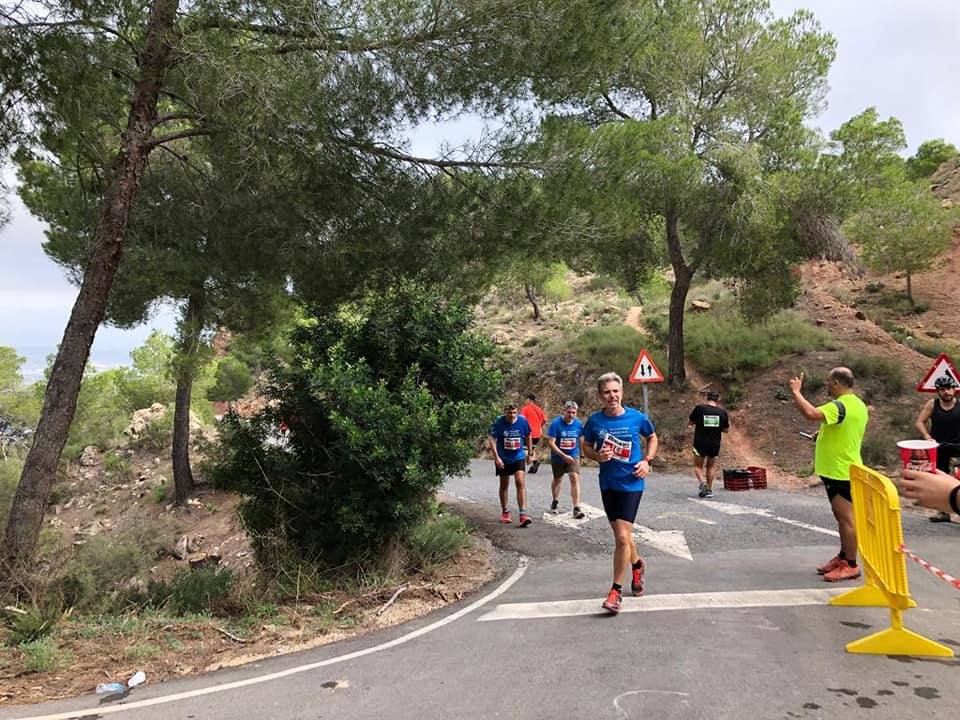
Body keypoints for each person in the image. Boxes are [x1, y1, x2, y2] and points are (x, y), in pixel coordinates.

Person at [582, 372, 658, 614]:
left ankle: (616, 592)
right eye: (607, 392)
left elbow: (652, 437)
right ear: (600, 395)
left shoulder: (636, 418)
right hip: (608, 484)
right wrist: (596, 456)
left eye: (615, 391)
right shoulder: (595, 421)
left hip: (632, 483)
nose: (612, 395)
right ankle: (637, 564)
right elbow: (585, 446)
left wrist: (647, 460)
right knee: (622, 536)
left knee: (623, 538)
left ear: (622, 392)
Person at [789, 367, 868, 583]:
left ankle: (850, 564)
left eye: (828, 382)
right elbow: (844, 430)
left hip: (840, 471)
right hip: (841, 468)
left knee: (846, 519)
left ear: (836, 383)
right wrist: (822, 436)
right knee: (841, 517)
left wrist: (796, 392)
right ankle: (843, 557)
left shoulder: (840, 405)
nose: (827, 386)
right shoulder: (857, 405)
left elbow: (811, 414)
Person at [914, 375, 960, 522]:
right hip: (939, 446)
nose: (946, 392)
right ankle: (943, 512)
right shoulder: (932, 404)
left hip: (958, 446)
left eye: (949, 389)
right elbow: (920, 422)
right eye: (942, 389)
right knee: (940, 479)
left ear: (954, 389)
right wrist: (927, 436)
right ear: (938, 391)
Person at [489, 404, 534, 527]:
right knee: (504, 485)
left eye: (514, 412)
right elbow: (492, 439)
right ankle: (505, 511)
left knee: (520, 481)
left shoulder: (522, 421)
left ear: (517, 412)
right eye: (509, 413)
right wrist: (497, 458)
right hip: (503, 458)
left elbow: (528, 435)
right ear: (505, 412)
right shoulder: (498, 422)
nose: (512, 415)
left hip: (518, 456)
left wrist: (530, 453)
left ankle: (523, 514)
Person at [546, 400, 586, 519]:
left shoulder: (578, 424)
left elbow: (580, 438)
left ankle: (576, 507)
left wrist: (582, 453)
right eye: (569, 412)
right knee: (558, 479)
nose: (571, 415)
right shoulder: (556, 424)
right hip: (558, 456)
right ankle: (555, 501)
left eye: (574, 412)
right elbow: (551, 443)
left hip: (573, 454)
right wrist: (563, 455)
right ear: (564, 411)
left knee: (574, 477)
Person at [688, 391, 729, 498]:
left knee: (698, 466)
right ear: (718, 400)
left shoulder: (700, 409)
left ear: (707, 398)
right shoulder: (722, 413)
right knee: (711, 466)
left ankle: (703, 483)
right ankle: (709, 490)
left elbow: (690, 422)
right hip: (714, 443)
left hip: (700, 442)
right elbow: (726, 429)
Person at [519, 394, 547, 474]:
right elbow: (545, 420)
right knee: (531, 449)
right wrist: (539, 426)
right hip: (537, 433)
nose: (525, 401)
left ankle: (534, 461)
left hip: (528, 433)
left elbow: (521, 420)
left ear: (530, 400)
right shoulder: (538, 409)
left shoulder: (525, 409)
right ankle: (534, 464)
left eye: (526, 399)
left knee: (523, 449)